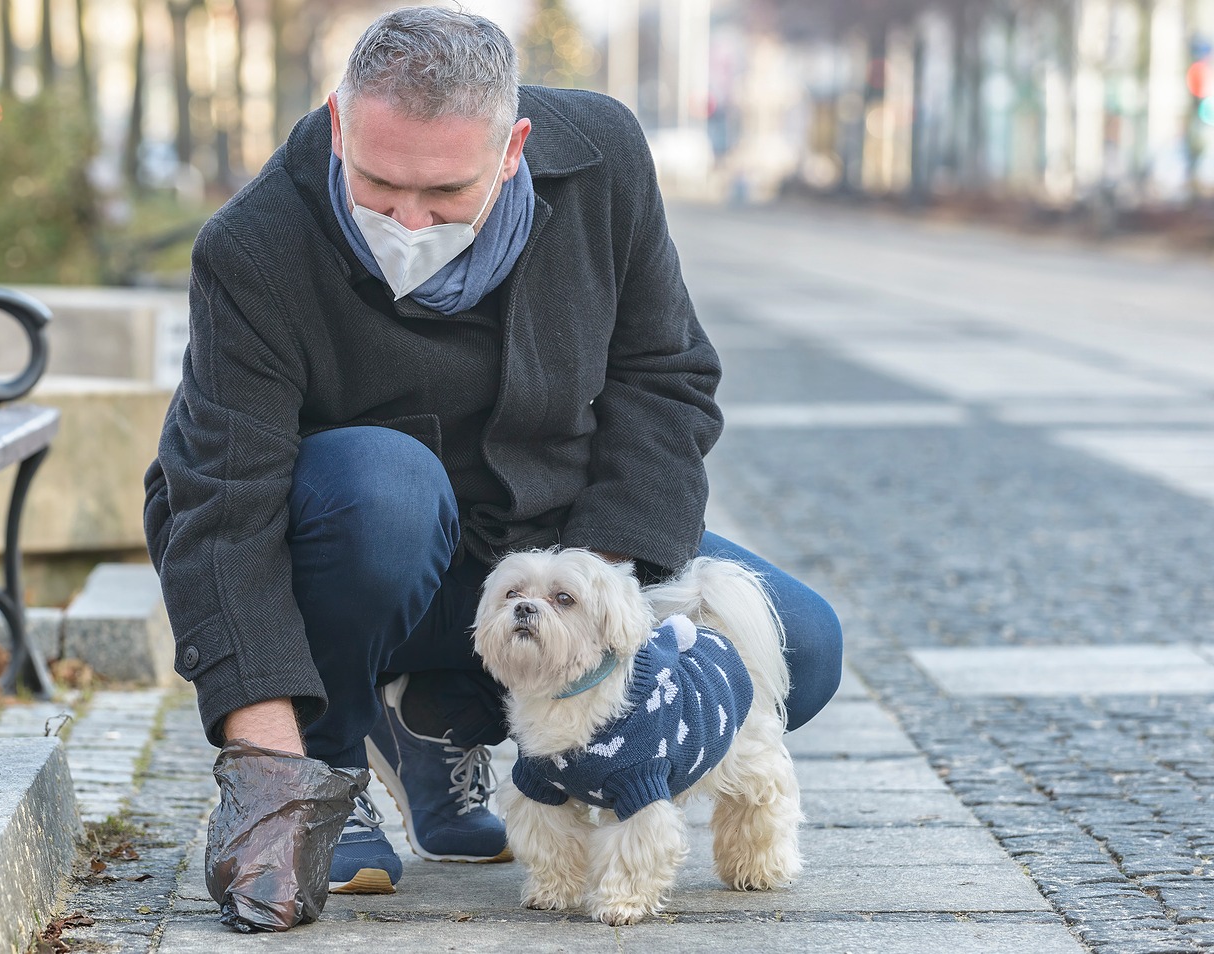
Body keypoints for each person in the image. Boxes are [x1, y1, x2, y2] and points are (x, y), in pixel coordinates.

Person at [143, 4, 843, 902]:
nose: (407, 218)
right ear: (337, 122)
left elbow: (664, 376)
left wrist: (597, 584)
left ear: (512, 149)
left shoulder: (602, 159)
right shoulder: (254, 247)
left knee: (799, 648)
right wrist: (270, 768)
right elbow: (221, 502)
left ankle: (441, 720)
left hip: (548, 540)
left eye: (444, 194)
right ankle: (342, 752)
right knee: (383, 488)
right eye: (377, 182)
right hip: (361, 554)